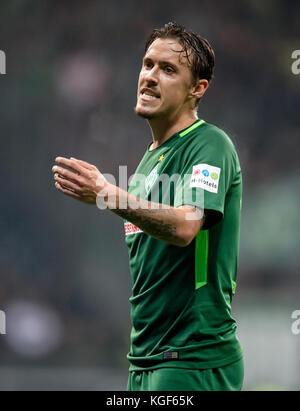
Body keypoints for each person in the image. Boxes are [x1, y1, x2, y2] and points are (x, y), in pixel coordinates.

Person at [52, 22, 244, 391]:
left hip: (192, 360)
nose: (151, 76)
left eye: (168, 69)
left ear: (197, 89)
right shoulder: (148, 162)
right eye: (148, 64)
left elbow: (187, 226)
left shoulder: (209, 145)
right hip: (144, 362)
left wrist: (107, 194)